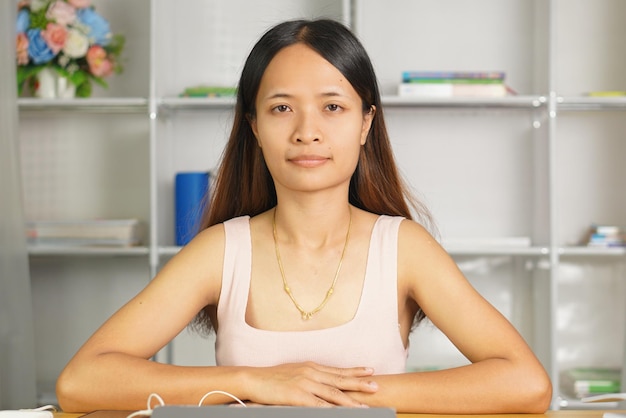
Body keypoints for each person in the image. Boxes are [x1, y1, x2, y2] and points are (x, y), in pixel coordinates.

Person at [56, 18, 552, 413]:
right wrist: (256, 384)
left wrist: (335, 396)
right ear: (253, 126)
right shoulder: (220, 251)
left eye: (333, 107)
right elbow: (82, 381)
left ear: (366, 122)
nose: (307, 131)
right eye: (281, 109)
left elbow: (526, 383)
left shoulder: (403, 247)